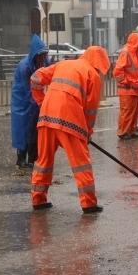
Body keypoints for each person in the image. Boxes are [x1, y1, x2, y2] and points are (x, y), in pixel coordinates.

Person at [29, 46, 109, 213]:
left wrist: (41, 101)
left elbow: (35, 78)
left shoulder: (64, 64)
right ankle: (88, 203)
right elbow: (90, 111)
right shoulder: (92, 75)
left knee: (43, 161)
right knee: (81, 163)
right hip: (70, 119)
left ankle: (38, 199)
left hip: (46, 117)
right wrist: (87, 132)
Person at [11, 35, 50, 169]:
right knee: (22, 130)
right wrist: (40, 103)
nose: (43, 58)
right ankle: (21, 159)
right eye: (41, 55)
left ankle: (33, 159)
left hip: (35, 100)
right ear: (35, 54)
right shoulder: (24, 67)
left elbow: (51, 71)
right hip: (22, 101)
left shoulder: (43, 62)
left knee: (35, 131)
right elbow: (26, 89)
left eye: (45, 55)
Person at [113, 32, 138, 139]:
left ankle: (131, 130)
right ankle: (123, 132)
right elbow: (117, 71)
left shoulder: (135, 52)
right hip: (127, 88)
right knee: (127, 111)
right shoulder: (126, 52)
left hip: (135, 88)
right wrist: (125, 82)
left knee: (134, 112)